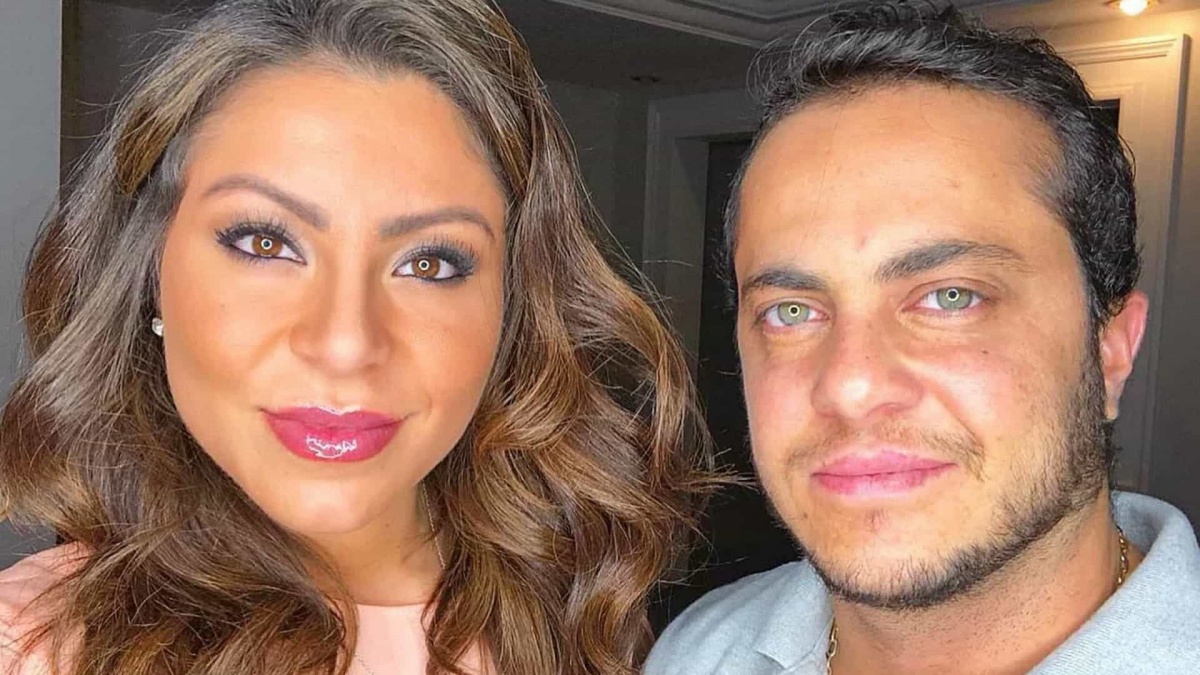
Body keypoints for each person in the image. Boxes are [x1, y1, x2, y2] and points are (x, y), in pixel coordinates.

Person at [0, 1, 713, 673]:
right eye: (265, 242)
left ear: (512, 307)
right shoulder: (32, 646)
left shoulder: (582, 616)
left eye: (429, 263)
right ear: (151, 276)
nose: (345, 343)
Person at [647, 3, 1200, 674]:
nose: (850, 386)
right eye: (792, 311)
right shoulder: (699, 651)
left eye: (950, 297)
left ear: (1111, 350)